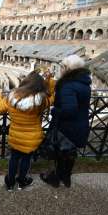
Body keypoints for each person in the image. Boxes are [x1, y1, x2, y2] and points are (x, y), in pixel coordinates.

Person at [0, 70, 54, 191]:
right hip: (32, 138)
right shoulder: (41, 101)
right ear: (39, 86)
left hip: (16, 136)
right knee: (26, 159)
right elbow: (52, 96)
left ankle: (10, 183)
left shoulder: (12, 97)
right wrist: (49, 80)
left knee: (14, 159)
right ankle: (22, 181)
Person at [40, 55, 91, 188]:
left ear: (67, 68)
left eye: (62, 66)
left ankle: (55, 179)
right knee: (70, 154)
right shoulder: (84, 83)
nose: (60, 69)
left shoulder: (68, 86)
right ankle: (66, 179)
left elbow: (69, 110)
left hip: (67, 128)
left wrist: (54, 111)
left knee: (60, 153)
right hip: (81, 125)